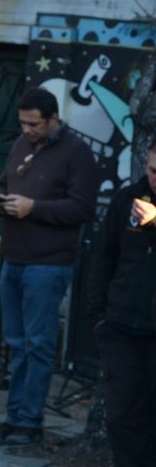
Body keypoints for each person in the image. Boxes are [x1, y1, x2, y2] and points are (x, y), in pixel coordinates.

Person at [0, 86, 98, 447]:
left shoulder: (77, 153)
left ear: (53, 120)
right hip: (13, 258)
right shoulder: (21, 145)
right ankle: (14, 417)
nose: (27, 131)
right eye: (22, 124)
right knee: (17, 345)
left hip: (47, 264)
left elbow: (82, 209)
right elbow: (3, 182)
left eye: (34, 125)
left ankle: (30, 423)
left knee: (37, 346)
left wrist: (35, 208)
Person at [86, 140, 156, 467]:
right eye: (153, 170)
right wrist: (99, 315)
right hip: (121, 325)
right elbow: (103, 257)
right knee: (123, 416)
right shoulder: (128, 198)